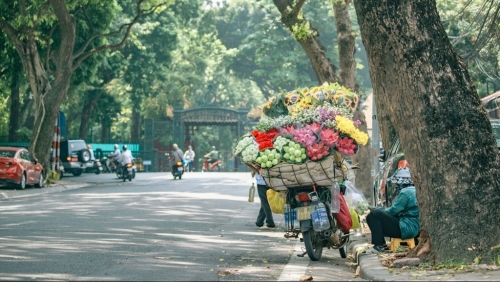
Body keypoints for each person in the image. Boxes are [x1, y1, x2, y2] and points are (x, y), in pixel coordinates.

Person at [366, 167, 420, 252]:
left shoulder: (406, 192)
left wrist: (378, 209)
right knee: (370, 216)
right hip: (414, 228)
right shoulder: (416, 190)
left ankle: (378, 246)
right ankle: (381, 244)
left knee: (374, 214)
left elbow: (393, 211)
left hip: (406, 228)